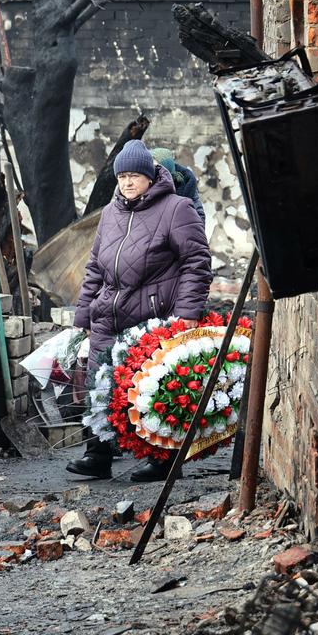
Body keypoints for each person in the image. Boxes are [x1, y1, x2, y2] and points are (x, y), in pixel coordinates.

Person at [68, 139, 212, 482]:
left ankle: (162, 459)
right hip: (108, 315)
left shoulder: (177, 209)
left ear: (150, 176)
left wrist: (188, 311)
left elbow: (197, 262)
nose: (128, 183)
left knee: (152, 390)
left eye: (134, 175)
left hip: (152, 315)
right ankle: (97, 454)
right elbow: (94, 269)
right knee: (99, 387)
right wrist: (83, 317)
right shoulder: (110, 213)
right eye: (122, 177)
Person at [149, 146, 206, 224]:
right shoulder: (147, 184)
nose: (152, 170)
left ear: (166, 167)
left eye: (156, 167)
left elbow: (199, 218)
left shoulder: (187, 184)